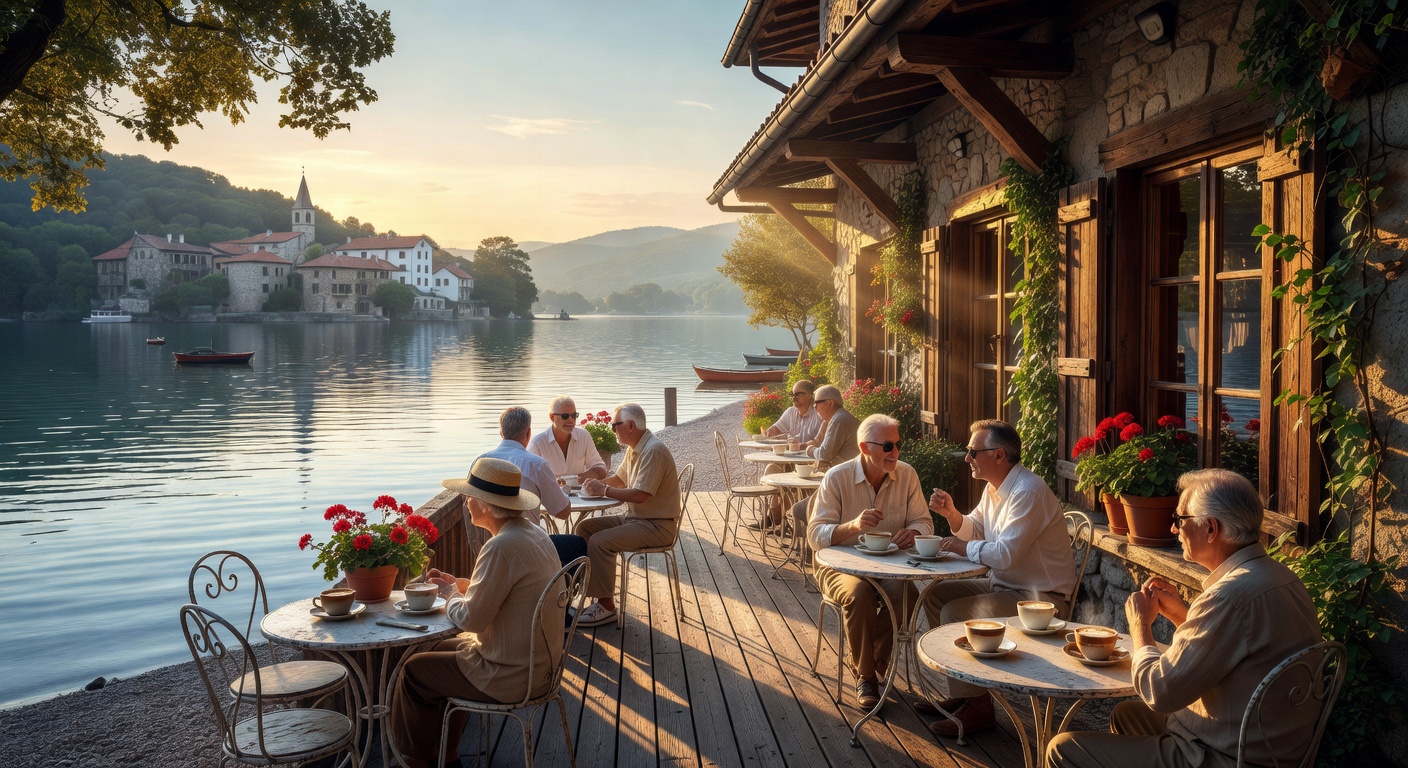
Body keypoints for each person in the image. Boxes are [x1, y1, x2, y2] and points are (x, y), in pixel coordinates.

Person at [1046, 469, 1321, 768]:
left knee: (1062, 748)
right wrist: (1181, 614)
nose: (1174, 529)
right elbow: (1235, 649)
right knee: (1127, 714)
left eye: (1180, 520)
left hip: (1224, 756)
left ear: (1211, 529)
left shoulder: (1227, 596)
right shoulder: (1281, 578)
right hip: (1266, 745)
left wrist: (1140, 625)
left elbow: (1159, 692)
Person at [391, 457, 563, 768]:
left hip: (512, 675)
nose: (467, 503)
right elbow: (507, 594)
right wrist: (459, 584)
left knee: (414, 673)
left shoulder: (500, 547)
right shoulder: (533, 534)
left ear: (485, 504)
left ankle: (417, 760)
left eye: (470, 497)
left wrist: (449, 594)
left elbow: (471, 619)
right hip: (540, 663)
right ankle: (448, 755)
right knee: (436, 649)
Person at [921, 419, 1076, 737]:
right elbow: (976, 528)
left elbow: (1005, 555)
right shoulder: (995, 488)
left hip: (1041, 601)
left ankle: (979, 708)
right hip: (1008, 587)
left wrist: (962, 547)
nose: (967, 458)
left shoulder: (1027, 491)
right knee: (937, 594)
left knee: (954, 612)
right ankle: (965, 692)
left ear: (999, 455)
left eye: (973, 451)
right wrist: (953, 516)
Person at [806, 413, 932, 709]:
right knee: (859, 593)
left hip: (888, 564)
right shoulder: (837, 477)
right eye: (887, 447)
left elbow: (925, 521)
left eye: (898, 445)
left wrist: (914, 532)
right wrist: (853, 527)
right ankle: (866, 676)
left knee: (908, 595)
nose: (896, 453)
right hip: (838, 565)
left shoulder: (907, 474)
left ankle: (874, 666)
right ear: (864, 447)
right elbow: (814, 535)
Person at [572, 403, 681, 627]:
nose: (613, 430)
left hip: (657, 526)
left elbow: (640, 495)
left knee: (600, 541)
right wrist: (591, 484)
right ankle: (588, 589)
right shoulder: (636, 448)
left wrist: (604, 491)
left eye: (615, 425)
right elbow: (619, 480)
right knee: (584, 529)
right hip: (638, 519)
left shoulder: (653, 450)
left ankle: (606, 606)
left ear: (630, 425)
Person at [480, 406, 584, 566]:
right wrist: (562, 491)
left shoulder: (481, 462)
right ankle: (562, 589)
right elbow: (563, 512)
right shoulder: (536, 465)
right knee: (577, 544)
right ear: (528, 433)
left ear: (501, 432)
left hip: (488, 543)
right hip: (526, 545)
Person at [786, 384, 860, 529]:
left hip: (844, 484)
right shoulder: (838, 418)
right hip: (845, 478)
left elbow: (824, 454)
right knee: (800, 499)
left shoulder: (839, 419)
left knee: (798, 509)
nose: (814, 408)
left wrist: (809, 449)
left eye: (816, 404)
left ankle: (810, 547)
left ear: (830, 403)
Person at [527, 395, 608, 482]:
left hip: (580, 494)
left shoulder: (584, 436)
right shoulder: (538, 443)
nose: (571, 420)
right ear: (552, 417)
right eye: (565, 416)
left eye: (574, 415)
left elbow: (601, 467)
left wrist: (582, 477)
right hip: (549, 494)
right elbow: (529, 478)